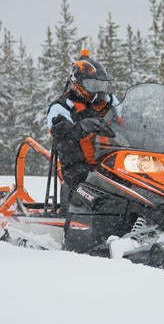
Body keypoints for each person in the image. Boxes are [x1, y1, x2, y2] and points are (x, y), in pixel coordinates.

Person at [47, 50, 119, 209]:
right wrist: (79, 127)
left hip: (113, 163)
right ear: (76, 83)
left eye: (101, 85)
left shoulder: (109, 101)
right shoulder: (62, 106)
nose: (99, 91)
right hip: (79, 167)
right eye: (93, 85)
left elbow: (128, 120)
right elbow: (58, 130)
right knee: (102, 202)